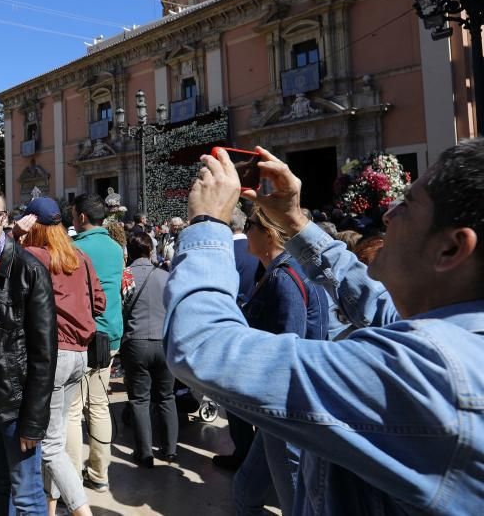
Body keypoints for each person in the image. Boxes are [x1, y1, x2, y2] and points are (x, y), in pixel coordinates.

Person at [163, 143, 484, 513]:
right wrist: (294, 220)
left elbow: (202, 348)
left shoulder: (430, 374)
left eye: (408, 205)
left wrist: (207, 224)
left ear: (451, 248)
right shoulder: (458, 335)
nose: (388, 216)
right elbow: (376, 303)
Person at [0, 183, 56, 516]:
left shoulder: (28, 269)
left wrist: (33, 420)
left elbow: (45, 354)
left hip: (15, 408)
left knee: (28, 496)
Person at [233, 206, 326, 514]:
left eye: (251, 225)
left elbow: (291, 346)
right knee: (245, 490)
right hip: (279, 411)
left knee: (297, 504)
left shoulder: (284, 279)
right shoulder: (284, 271)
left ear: (269, 233)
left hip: (287, 408)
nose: (246, 231)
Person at [19, 196, 103, 516]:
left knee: (50, 447)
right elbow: (100, 302)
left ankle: (82, 512)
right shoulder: (80, 256)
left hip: (52, 358)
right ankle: (50, 510)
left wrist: (15, 236)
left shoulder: (33, 255)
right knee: (54, 437)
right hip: (79, 356)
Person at [66, 193, 123, 492]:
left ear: (82, 218)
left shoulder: (75, 249)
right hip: (110, 335)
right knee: (100, 404)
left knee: (74, 410)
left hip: (82, 337)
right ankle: (100, 474)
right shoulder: (116, 248)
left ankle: (73, 478)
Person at [120, 231, 177, 469]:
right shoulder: (165, 276)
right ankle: (170, 449)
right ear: (150, 251)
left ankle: (144, 453)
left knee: (139, 400)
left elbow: (121, 307)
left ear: (129, 253)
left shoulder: (126, 276)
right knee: (166, 397)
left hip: (135, 342)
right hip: (163, 343)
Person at [212, 204, 261, 472]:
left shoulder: (224, 252)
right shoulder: (260, 249)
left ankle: (244, 451)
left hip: (233, 327)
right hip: (260, 325)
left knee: (234, 396)